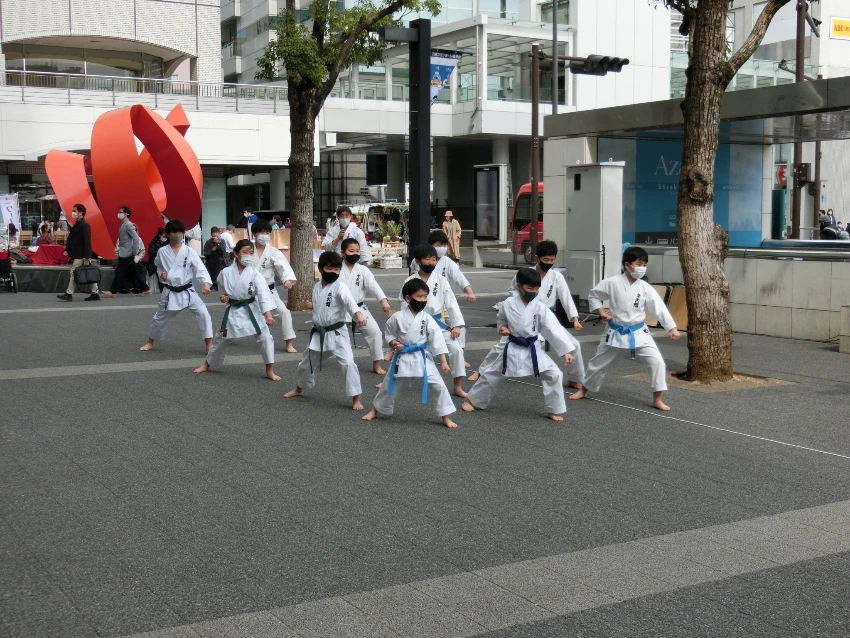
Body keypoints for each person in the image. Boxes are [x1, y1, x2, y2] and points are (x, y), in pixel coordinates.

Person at [570, 246, 681, 411]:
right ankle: (584, 390)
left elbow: (659, 308)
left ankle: (657, 399)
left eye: (645, 264)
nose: (642, 267)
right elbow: (594, 295)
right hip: (615, 331)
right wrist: (601, 312)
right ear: (627, 265)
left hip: (638, 332)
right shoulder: (612, 282)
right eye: (639, 263)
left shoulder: (644, 287)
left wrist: (671, 327)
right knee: (598, 363)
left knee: (657, 361)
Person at [463, 267, 576, 421]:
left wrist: (565, 352)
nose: (534, 292)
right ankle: (471, 399)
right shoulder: (507, 304)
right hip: (513, 347)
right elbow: (501, 320)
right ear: (519, 286)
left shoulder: (539, 307)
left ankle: (553, 409)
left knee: (555, 374)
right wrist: (502, 328)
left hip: (533, 348)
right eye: (530, 288)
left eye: (537, 288)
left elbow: (552, 329)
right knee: (493, 374)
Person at [469, 240, 584, 388]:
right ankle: (481, 371)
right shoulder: (525, 274)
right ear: (537, 258)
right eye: (545, 260)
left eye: (552, 260)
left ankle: (575, 378)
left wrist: (574, 319)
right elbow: (513, 294)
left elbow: (566, 297)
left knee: (574, 345)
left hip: (546, 318)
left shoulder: (556, 277)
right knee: (503, 346)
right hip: (523, 317)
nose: (549, 263)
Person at [363, 278, 458, 428]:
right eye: (419, 297)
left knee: (439, 385)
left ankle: (445, 416)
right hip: (403, 357)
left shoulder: (427, 318)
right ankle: (375, 411)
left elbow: (437, 339)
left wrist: (444, 362)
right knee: (389, 385)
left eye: (425, 297)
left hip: (421, 356)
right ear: (408, 298)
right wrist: (394, 342)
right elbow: (389, 333)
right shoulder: (397, 317)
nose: (423, 300)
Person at [285, 251, 367, 410]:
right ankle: (299, 389)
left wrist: (358, 315)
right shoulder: (316, 287)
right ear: (321, 269)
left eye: (337, 269)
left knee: (349, 364)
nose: (334, 272)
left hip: (337, 333)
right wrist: (312, 306)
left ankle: (356, 398)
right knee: (306, 363)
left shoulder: (340, 287)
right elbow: (324, 306)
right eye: (330, 269)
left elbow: (350, 303)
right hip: (319, 333)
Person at [193, 239, 280, 381]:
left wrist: (268, 315)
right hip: (233, 311)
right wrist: (224, 297)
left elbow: (264, 295)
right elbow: (223, 291)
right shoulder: (225, 273)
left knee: (266, 338)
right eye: (245, 252)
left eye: (251, 253)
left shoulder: (255, 274)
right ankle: (207, 364)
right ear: (236, 254)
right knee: (220, 339)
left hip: (252, 310)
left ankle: (269, 370)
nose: (248, 255)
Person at [400, 244, 467, 398]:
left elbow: (451, 302)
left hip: (438, 324)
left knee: (456, 349)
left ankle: (457, 386)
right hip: (416, 323)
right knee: (403, 351)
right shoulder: (410, 281)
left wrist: (456, 325)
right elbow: (403, 302)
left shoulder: (441, 280)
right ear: (418, 261)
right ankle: (389, 380)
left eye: (433, 259)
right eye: (427, 259)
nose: (430, 263)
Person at [139, 220, 213, 352]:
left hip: (188, 290)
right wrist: (162, 273)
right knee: (159, 318)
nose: (177, 234)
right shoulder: (162, 251)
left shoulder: (189, 251)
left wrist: (205, 284)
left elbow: (200, 268)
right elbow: (158, 265)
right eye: (174, 232)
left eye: (179, 232)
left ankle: (209, 345)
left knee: (204, 314)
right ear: (167, 234)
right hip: (170, 291)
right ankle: (150, 341)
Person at [340, 237, 392, 374]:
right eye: (351, 251)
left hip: (359, 307)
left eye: (357, 251)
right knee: (330, 336)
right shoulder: (336, 268)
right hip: (339, 308)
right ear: (343, 253)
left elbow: (373, 286)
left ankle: (377, 365)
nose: (355, 254)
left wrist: (383, 300)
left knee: (374, 331)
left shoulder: (362, 270)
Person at [251, 219, 298, 353]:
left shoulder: (273, 252)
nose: (264, 235)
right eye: (261, 232)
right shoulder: (247, 250)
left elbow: (283, 267)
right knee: (236, 313)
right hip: (250, 291)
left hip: (268, 291)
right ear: (254, 233)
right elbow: (236, 269)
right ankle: (227, 337)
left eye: (267, 232)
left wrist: (287, 280)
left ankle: (289, 343)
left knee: (284, 312)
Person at [102, 206, 151, 298]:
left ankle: (113, 291)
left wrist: (135, 250)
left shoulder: (128, 225)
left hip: (127, 253)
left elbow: (136, 237)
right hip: (125, 252)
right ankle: (146, 289)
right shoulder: (124, 224)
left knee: (120, 272)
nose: (119, 214)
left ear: (126, 214)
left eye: (121, 212)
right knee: (134, 272)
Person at [57, 203, 100, 302]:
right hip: (80, 254)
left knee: (74, 272)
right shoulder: (77, 224)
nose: (73, 213)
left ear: (80, 213)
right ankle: (95, 292)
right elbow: (71, 239)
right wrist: (67, 250)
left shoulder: (85, 225)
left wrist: (87, 255)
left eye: (75, 211)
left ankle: (69, 293)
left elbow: (87, 241)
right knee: (88, 272)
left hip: (81, 254)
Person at [147, 227, 168, 292]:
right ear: (159, 235)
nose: (165, 237)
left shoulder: (168, 241)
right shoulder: (154, 241)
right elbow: (151, 251)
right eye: (163, 235)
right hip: (154, 262)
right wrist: (159, 252)